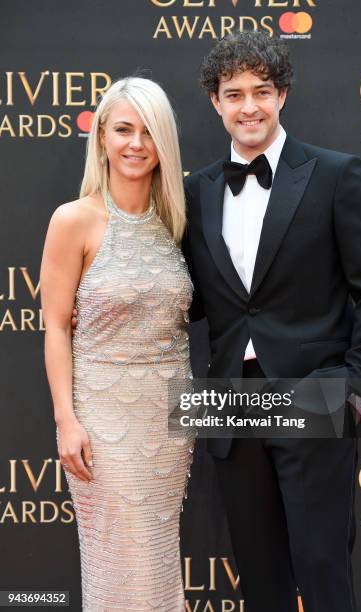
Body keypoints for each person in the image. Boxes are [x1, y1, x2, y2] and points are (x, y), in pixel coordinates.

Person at [182, 31, 361, 612]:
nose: (248, 106)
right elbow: (187, 297)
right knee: (259, 577)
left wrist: (357, 394)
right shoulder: (195, 192)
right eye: (234, 93)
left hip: (315, 394)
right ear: (215, 103)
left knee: (324, 570)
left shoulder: (335, 174)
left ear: (282, 96)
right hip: (232, 402)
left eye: (261, 91)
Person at [40, 77, 194, 611]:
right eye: (124, 129)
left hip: (171, 421)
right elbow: (56, 326)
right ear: (101, 136)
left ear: (164, 144)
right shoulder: (74, 220)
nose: (136, 144)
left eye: (149, 132)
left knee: (155, 558)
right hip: (103, 421)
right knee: (116, 560)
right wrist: (67, 419)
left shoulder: (176, 221)